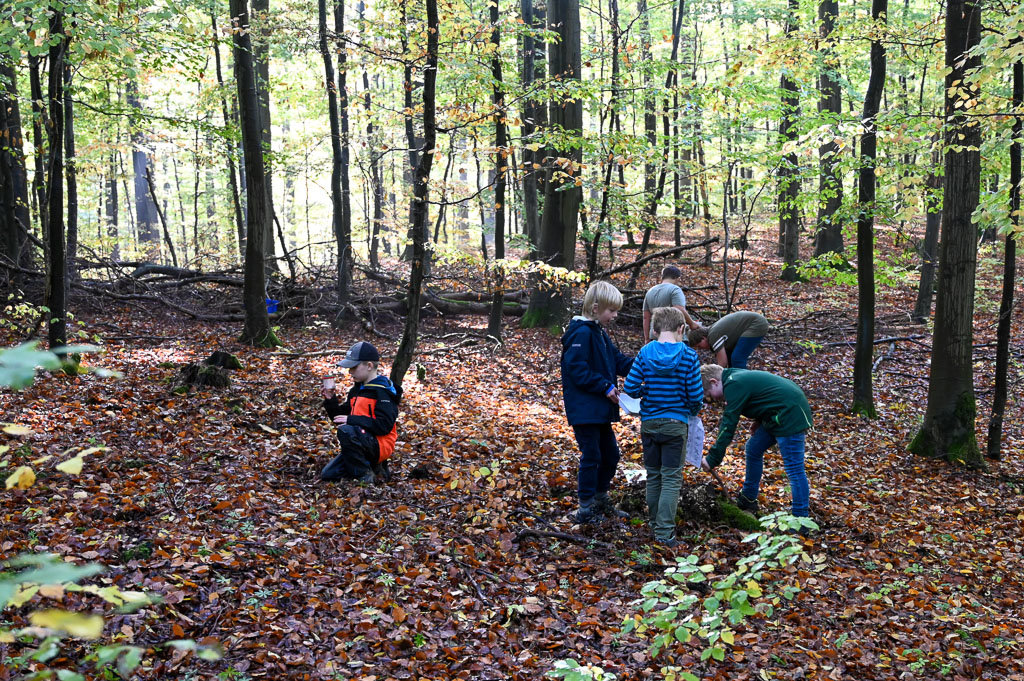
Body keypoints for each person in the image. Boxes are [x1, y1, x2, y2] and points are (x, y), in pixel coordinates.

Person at [623, 307, 703, 547]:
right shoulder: (688, 356)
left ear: (656, 329)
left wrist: (645, 392)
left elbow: (631, 387)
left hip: (649, 423)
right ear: (681, 329)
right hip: (675, 425)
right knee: (671, 478)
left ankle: (653, 522)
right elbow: (696, 396)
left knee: (654, 475)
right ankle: (665, 533)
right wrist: (690, 409)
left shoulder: (645, 352)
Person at [561, 280, 634, 524]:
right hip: (584, 409)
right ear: (594, 308)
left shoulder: (598, 332)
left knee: (611, 454)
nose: (614, 315)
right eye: (611, 311)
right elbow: (576, 369)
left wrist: (645, 366)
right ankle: (585, 507)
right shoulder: (581, 333)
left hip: (599, 410)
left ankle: (600, 496)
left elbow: (618, 361)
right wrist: (604, 386)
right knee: (591, 455)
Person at [699, 364, 812, 518]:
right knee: (753, 449)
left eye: (709, 393)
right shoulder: (733, 378)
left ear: (714, 382)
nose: (712, 398)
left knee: (794, 469)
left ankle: (801, 519)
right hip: (776, 414)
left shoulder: (734, 384)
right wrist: (760, 420)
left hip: (789, 415)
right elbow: (763, 395)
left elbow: (728, 424)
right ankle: (748, 498)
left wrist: (713, 458)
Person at [321, 341, 402, 483]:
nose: (350, 372)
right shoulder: (357, 390)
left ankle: (365, 475)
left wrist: (352, 420)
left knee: (346, 430)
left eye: (354, 367)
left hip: (380, 444)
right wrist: (330, 400)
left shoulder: (383, 392)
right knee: (329, 474)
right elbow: (339, 417)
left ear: (369, 366)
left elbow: (384, 426)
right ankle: (372, 467)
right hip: (361, 441)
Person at [688, 311, 769, 369]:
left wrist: (712, 376)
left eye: (699, 346)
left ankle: (742, 384)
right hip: (752, 324)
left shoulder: (713, 336)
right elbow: (726, 358)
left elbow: (722, 363)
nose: (701, 349)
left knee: (737, 359)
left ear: (703, 338)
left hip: (756, 324)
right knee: (730, 356)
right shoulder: (712, 332)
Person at [642, 266, 700, 343]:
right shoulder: (675, 289)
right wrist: (692, 324)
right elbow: (679, 309)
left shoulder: (650, 291)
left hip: (655, 336)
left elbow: (646, 317)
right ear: (677, 278)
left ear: (662, 277)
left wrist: (646, 338)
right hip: (674, 336)